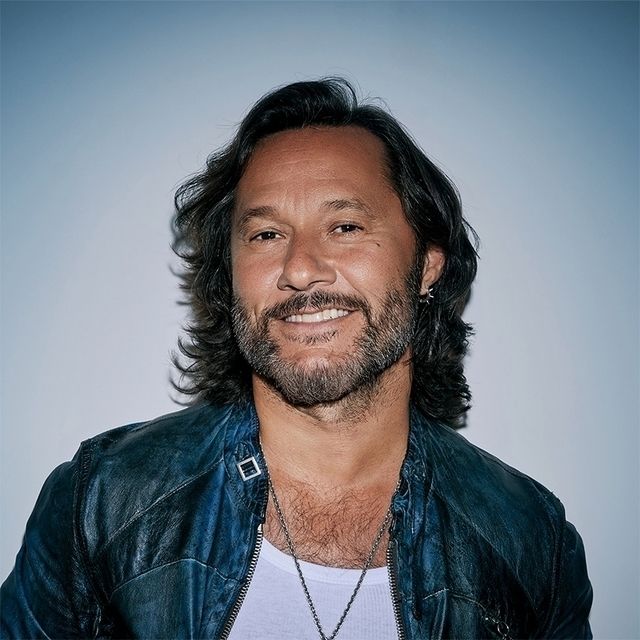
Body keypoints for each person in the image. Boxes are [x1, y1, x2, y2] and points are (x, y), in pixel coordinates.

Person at [1, 78, 592, 639]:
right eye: (266, 235)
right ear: (230, 275)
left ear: (427, 267)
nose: (301, 269)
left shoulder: (532, 541)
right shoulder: (101, 500)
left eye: (345, 226)